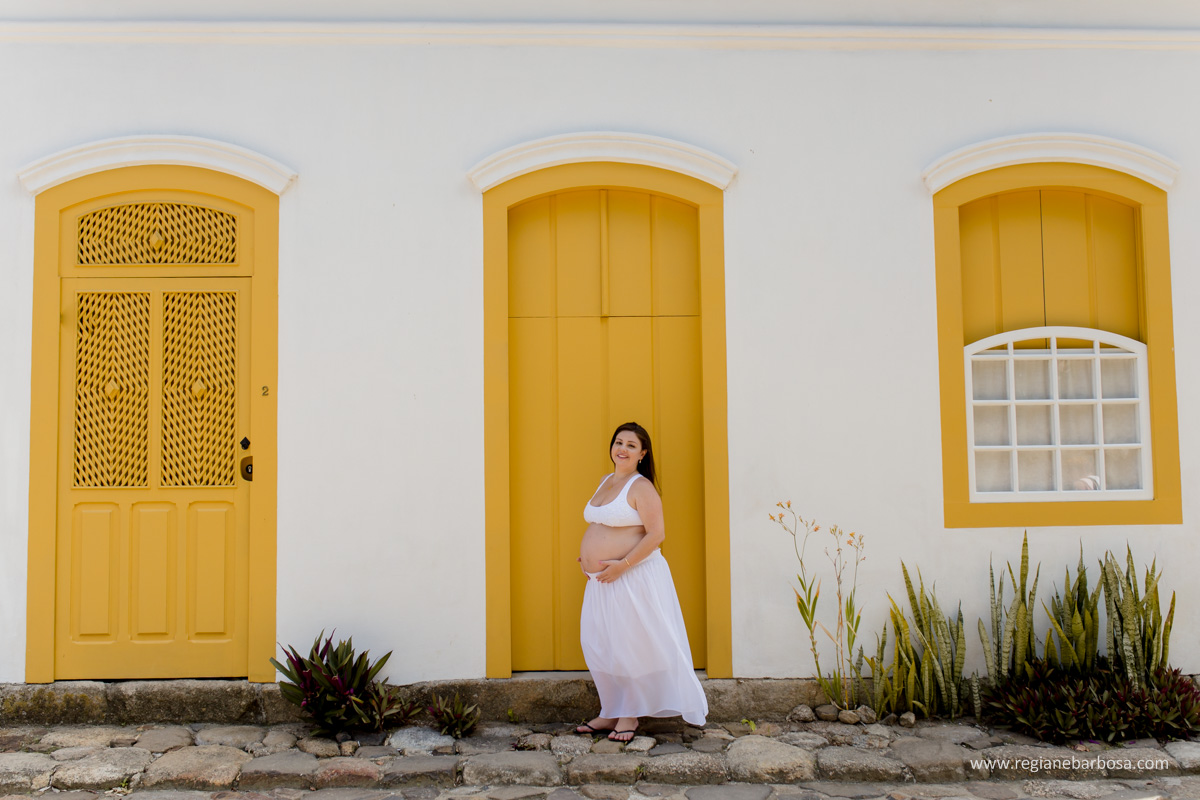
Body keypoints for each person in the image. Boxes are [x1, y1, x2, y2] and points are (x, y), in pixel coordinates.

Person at [574, 421, 708, 742]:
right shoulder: (606, 480)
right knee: (599, 645)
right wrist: (589, 555)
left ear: (642, 453)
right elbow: (605, 526)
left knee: (627, 646)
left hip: (631, 577)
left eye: (631, 445)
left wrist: (623, 564)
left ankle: (629, 717)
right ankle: (609, 711)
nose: (622, 449)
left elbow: (657, 534)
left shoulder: (641, 487)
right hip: (601, 580)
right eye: (618, 442)